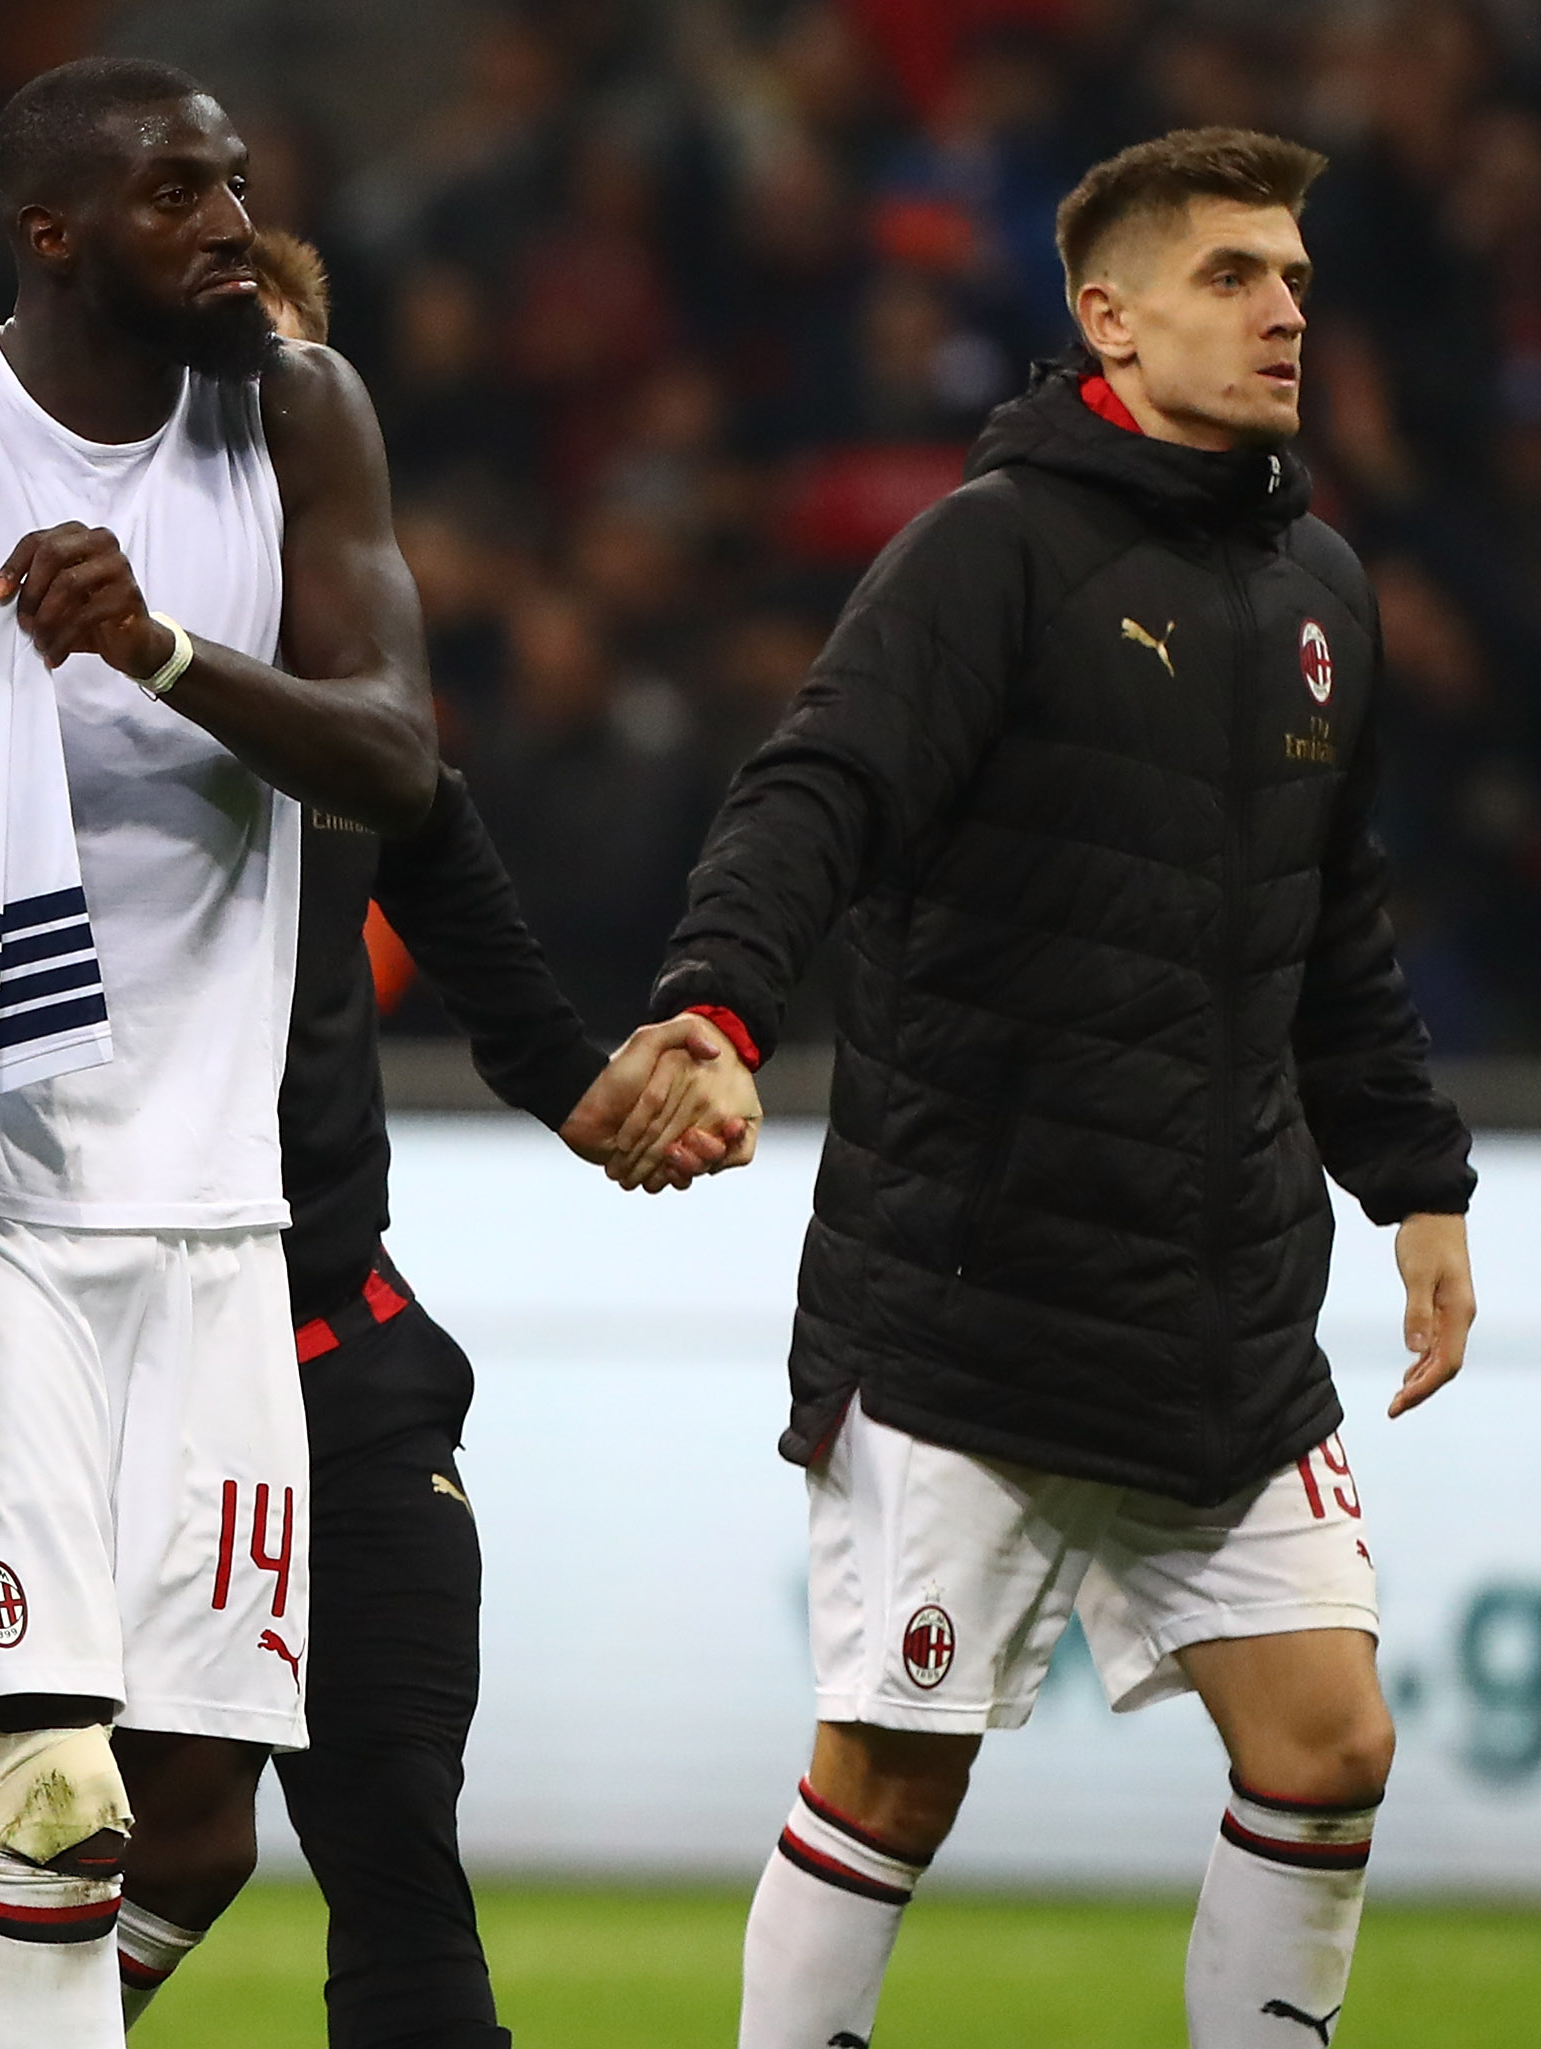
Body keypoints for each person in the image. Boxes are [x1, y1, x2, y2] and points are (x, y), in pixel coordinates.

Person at [0, 58, 747, 2046]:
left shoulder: (302, 535)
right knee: (57, 1803)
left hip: (287, 1297)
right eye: (182, 194)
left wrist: (606, 1078)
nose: (228, 226)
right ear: (56, 234)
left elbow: (437, 833)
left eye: (239, 188)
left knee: (277, 1829)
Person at [641, 129, 1478, 2049]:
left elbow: (1330, 924)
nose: (1283, 310)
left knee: (1332, 1741)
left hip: (1219, 1310)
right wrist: (715, 1004)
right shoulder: (990, 553)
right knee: (890, 1780)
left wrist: (1414, 1177)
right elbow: (816, 790)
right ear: (1106, 315)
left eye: (1294, 277)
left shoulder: (1318, 582)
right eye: (1230, 277)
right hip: (970, 1300)